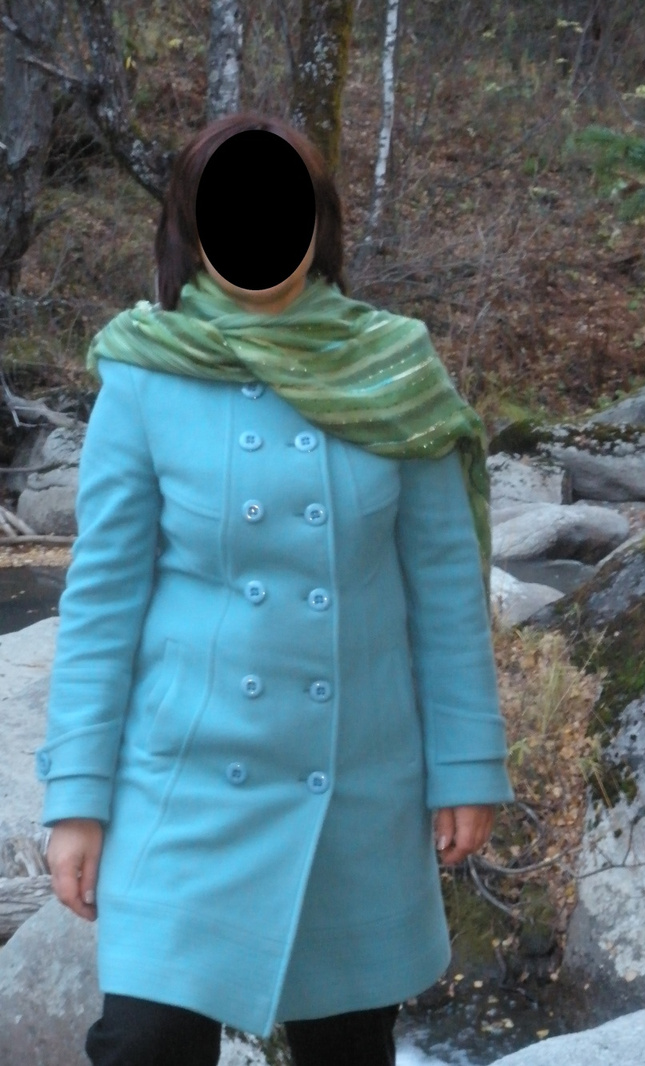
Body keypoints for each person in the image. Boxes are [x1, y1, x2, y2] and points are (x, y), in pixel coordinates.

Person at [37, 112, 514, 1066]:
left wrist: (466, 764)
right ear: (191, 227)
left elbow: (446, 594)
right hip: (184, 788)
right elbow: (101, 607)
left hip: (354, 793)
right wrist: (77, 800)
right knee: (142, 1045)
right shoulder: (143, 370)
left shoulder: (394, 367)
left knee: (348, 1047)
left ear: (317, 222)